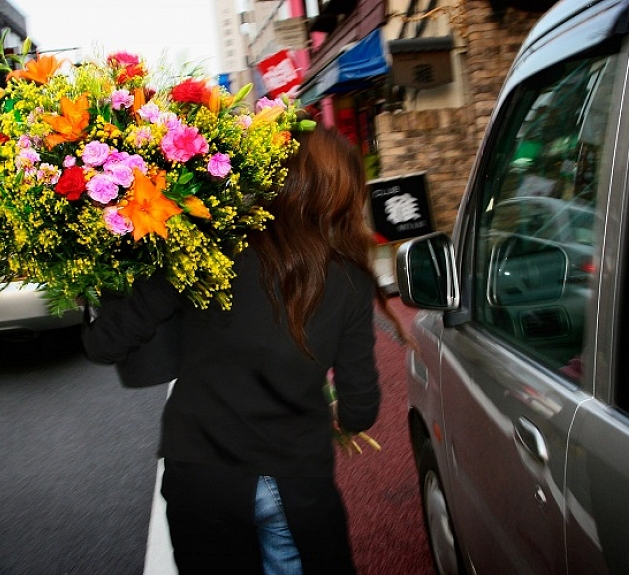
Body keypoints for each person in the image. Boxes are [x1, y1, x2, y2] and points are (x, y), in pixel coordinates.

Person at [81, 122, 406, 574]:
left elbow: (106, 344)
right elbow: (361, 403)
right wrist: (343, 419)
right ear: (344, 196)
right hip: (295, 474)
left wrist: (97, 285)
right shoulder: (349, 280)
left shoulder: (211, 253)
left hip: (201, 470)